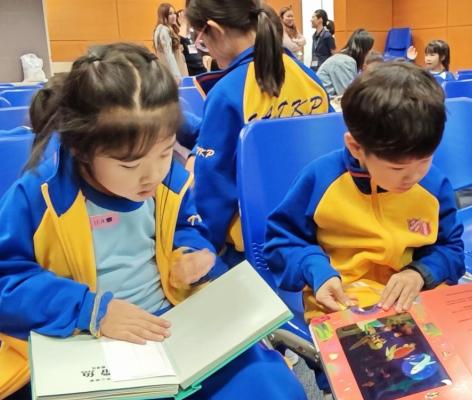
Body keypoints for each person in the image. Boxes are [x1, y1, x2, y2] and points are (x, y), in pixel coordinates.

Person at [0, 43, 305, 400]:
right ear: (81, 149)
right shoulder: (39, 194)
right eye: (129, 164)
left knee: (270, 384)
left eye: (164, 153)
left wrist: (191, 253)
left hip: (173, 326)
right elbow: (7, 277)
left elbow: (188, 228)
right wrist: (93, 311)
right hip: (82, 338)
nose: (152, 176)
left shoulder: (171, 182)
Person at [264, 61, 465, 322]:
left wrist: (420, 272)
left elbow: (451, 248)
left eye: (425, 160)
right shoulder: (321, 179)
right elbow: (282, 242)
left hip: (413, 295)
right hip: (341, 297)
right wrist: (317, 271)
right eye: (397, 168)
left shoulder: (434, 185)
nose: (414, 177)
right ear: (356, 147)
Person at [185, 0, 332, 267]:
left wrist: (205, 246)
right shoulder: (309, 76)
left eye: (200, 40)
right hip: (313, 234)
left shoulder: (228, 91)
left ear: (214, 30)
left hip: (253, 248)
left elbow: (214, 188)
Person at [317, 28, 374, 97]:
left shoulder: (344, 59)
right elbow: (347, 96)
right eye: (368, 51)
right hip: (325, 101)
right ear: (364, 51)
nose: (369, 54)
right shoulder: (345, 62)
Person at [154, 3, 188, 81]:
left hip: (176, 66)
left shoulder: (167, 28)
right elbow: (169, 55)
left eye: (174, 13)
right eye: (170, 14)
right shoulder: (164, 30)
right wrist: (177, 75)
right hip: (173, 71)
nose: (174, 16)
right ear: (163, 15)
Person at [177, 9, 207, 76]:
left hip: (200, 63)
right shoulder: (179, 33)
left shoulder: (193, 30)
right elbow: (181, 39)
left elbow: (201, 44)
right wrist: (183, 25)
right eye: (183, 17)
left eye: (186, 16)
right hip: (189, 66)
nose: (185, 19)